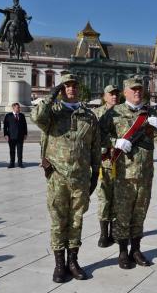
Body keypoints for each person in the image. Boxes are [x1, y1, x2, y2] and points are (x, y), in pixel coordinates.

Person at [31, 73, 100, 283]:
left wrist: (95, 173)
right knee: (58, 220)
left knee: (76, 220)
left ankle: (73, 261)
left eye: (73, 85)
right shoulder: (52, 112)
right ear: (62, 89)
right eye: (66, 86)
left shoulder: (88, 116)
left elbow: (95, 146)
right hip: (58, 176)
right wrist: (51, 95)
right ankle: (59, 264)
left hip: (80, 177)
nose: (71, 89)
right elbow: (36, 117)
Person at [100, 77, 157, 269]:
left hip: (145, 174)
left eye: (140, 89)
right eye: (133, 89)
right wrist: (114, 142)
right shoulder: (113, 113)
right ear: (125, 92)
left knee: (140, 214)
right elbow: (98, 136)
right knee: (123, 214)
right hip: (124, 174)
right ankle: (123, 252)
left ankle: (136, 249)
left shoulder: (151, 112)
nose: (137, 92)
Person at [94, 85, 120, 248]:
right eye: (111, 94)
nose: (114, 96)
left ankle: (115, 231)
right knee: (104, 198)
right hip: (105, 162)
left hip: (122, 163)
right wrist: (112, 142)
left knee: (119, 199)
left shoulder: (124, 112)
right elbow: (94, 136)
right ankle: (104, 234)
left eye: (116, 94)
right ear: (104, 96)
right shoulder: (97, 113)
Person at [3, 103, 28, 168]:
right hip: (11, 136)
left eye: (19, 107)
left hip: (20, 136)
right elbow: (5, 126)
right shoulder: (8, 115)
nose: (19, 109)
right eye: (18, 108)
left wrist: (25, 134)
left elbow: (25, 125)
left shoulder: (22, 115)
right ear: (13, 108)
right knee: (12, 150)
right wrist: (5, 134)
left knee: (20, 150)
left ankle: (20, 163)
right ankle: (12, 163)